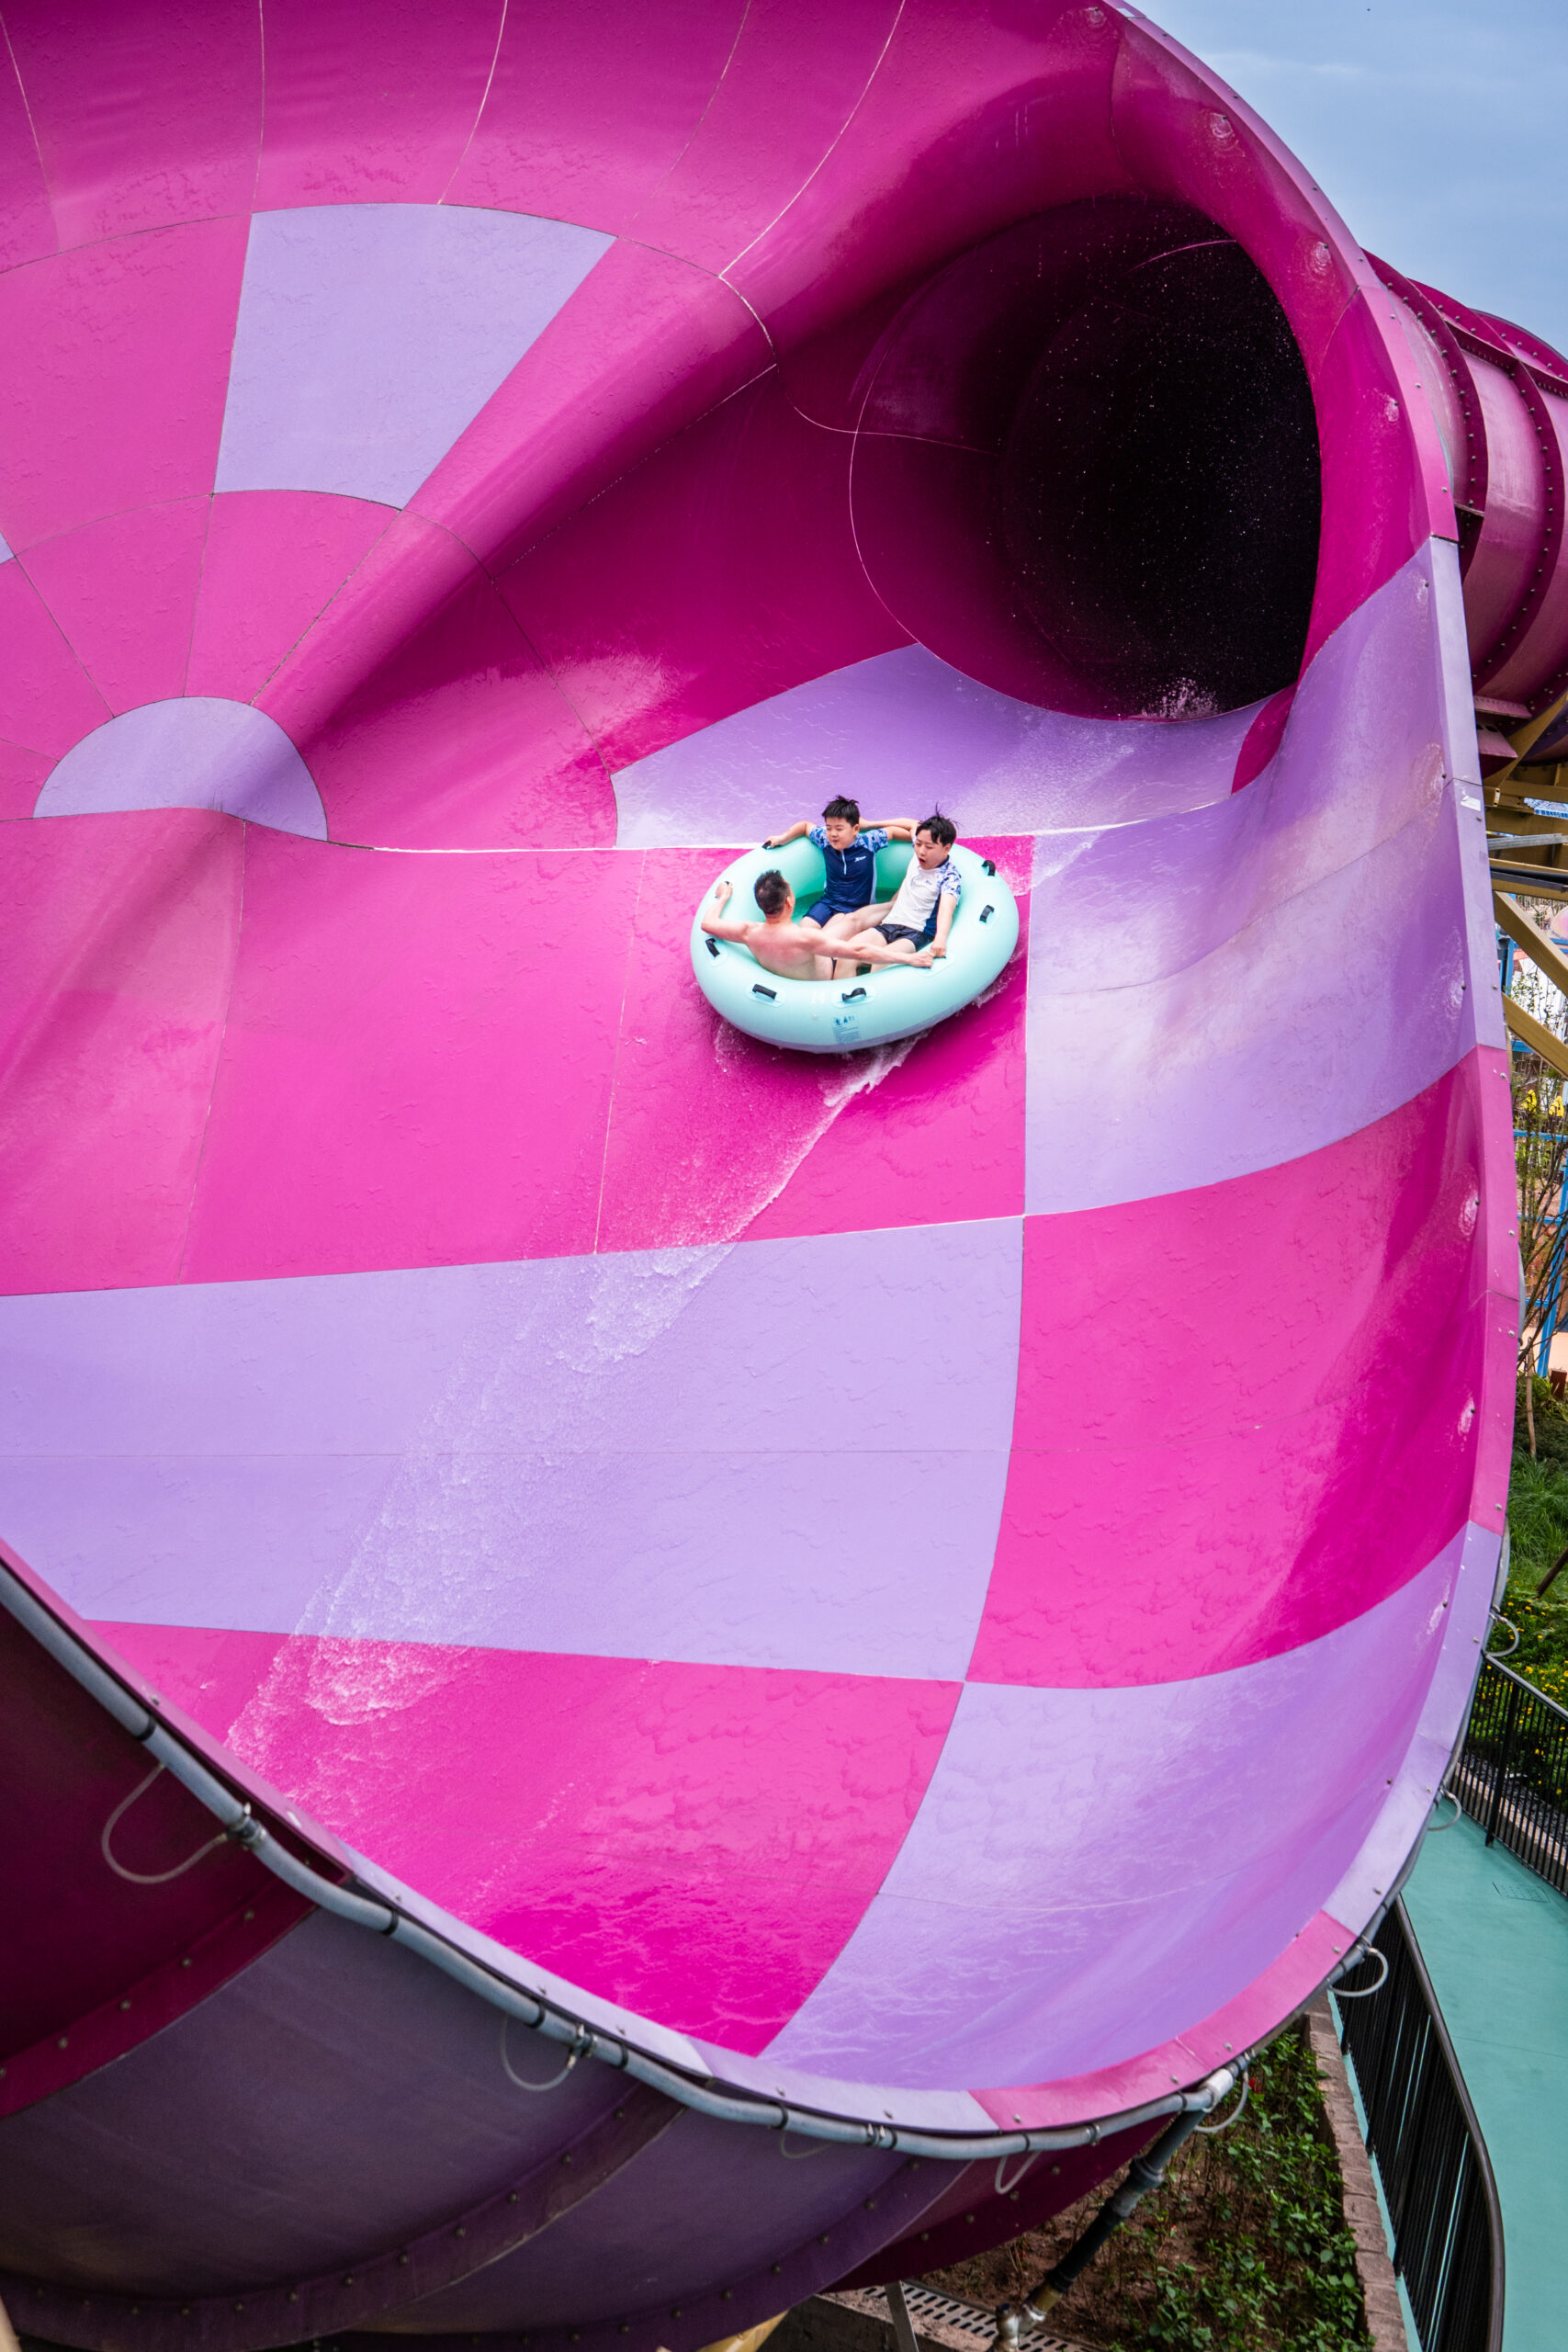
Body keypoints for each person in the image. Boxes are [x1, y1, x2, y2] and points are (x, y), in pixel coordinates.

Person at [702, 869, 935, 982]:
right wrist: (909, 959)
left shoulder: (748, 932)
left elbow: (708, 923)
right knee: (852, 921)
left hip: (797, 967)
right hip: (828, 973)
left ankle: (898, 902)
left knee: (847, 919)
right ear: (790, 901)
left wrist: (723, 897)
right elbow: (859, 951)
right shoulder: (804, 939)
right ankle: (899, 902)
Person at [762, 798, 915, 951]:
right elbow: (805, 826)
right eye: (829, 828)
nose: (833, 834)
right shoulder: (825, 841)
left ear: (855, 829)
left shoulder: (869, 842)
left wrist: (915, 840)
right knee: (802, 932)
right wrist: (782, 838)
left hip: (857, 909)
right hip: (828, 903)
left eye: (839, 829)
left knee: (823, 940)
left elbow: (896, 831)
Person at [829, 811, 962, 966]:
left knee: (880, 963)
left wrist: (940, 939)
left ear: (946, 848)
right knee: (847, 956)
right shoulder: (920, 847)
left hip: (917, 932)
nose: (921, 851)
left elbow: (946, 909)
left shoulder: (949, 876)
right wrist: (869, 825)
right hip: (890, 924)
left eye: (929, 847)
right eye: (918, 844)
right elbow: (913, 824)